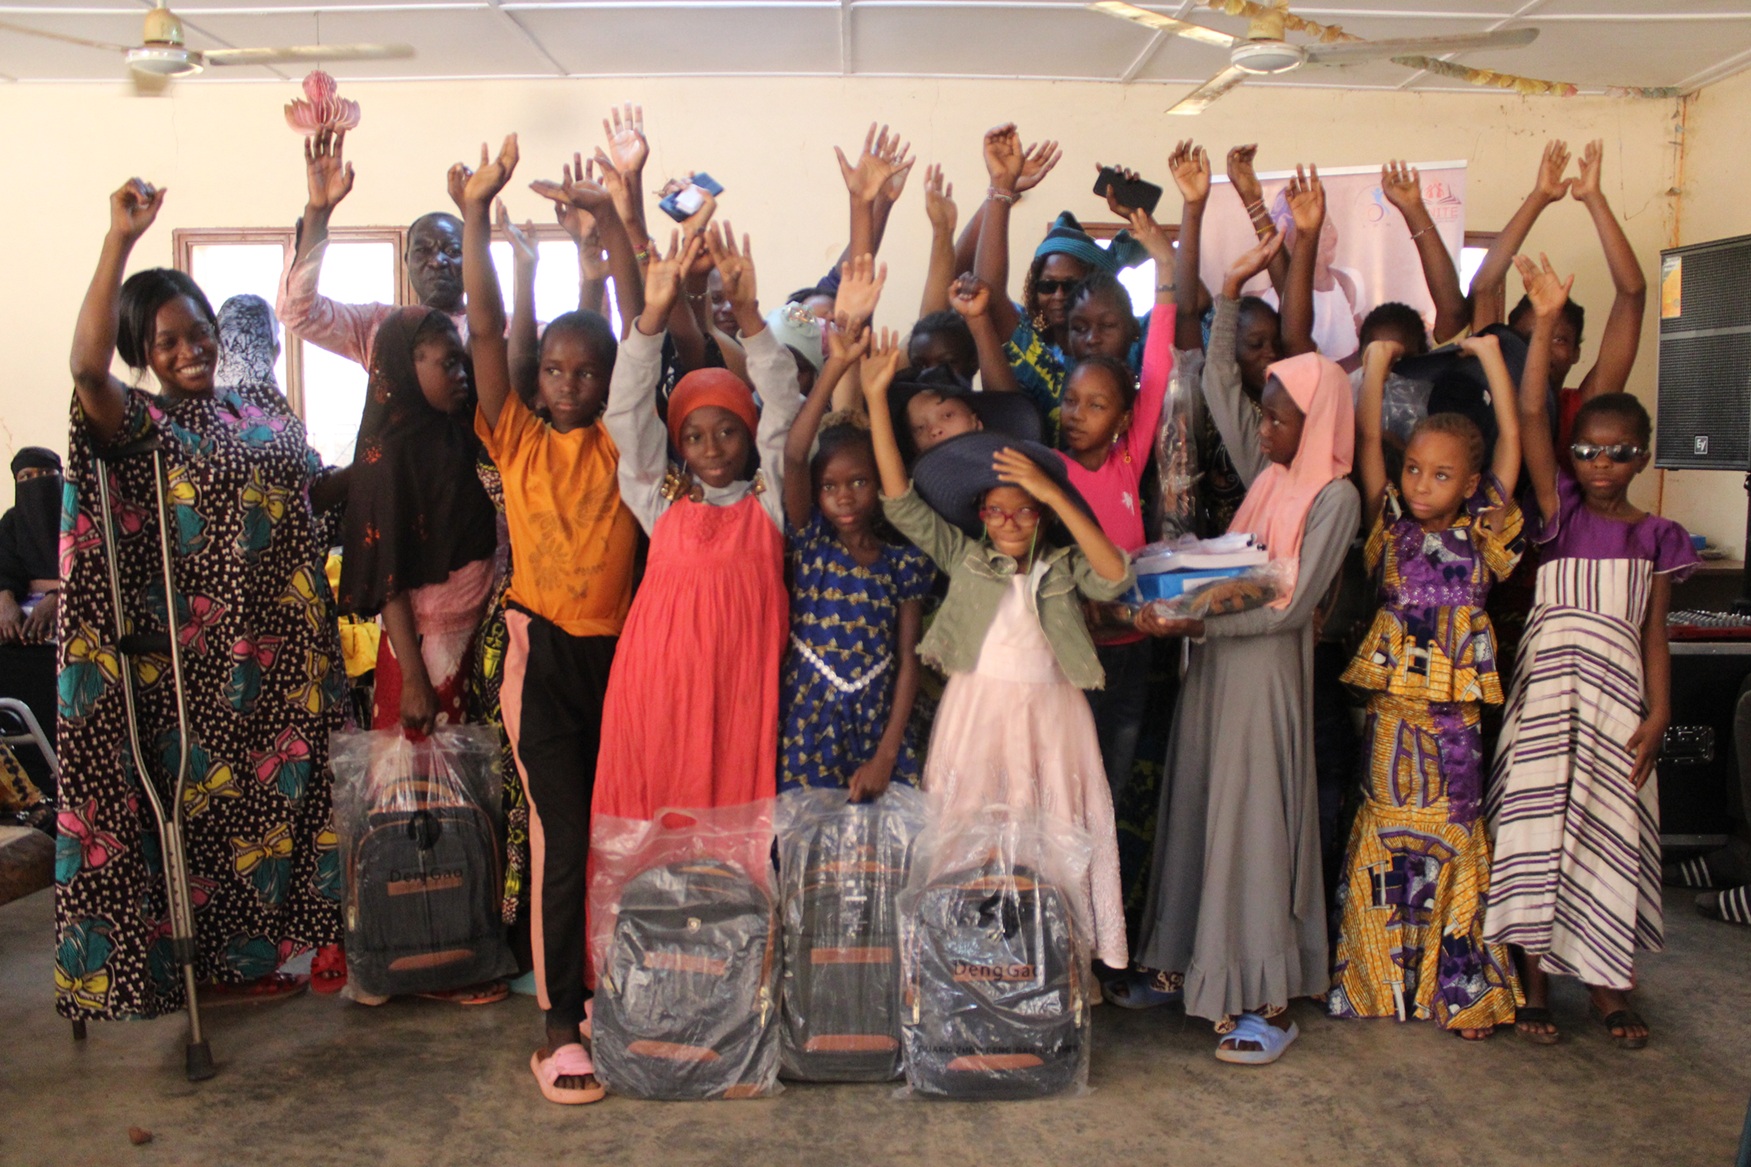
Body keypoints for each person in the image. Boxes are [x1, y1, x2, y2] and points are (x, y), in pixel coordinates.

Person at [59, 178, 348, 1019]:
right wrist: (119, 239)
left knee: (293, 805)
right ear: (144, 354)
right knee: (217, 819)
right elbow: (83, 366)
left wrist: (362, 480)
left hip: (294, 643)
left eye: (200, 331)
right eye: (169, 340)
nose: (192, 348)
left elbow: (301, 494)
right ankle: (217, 963)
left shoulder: (255, 404)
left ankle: (283, 950)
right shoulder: (145, 422)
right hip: (205, 663)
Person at [863, 329, 1135, 971]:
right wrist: (877, 399)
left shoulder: (1063, 567)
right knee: (972, 838)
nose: (1009, 522)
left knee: (1054, 835)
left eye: (1023, 511)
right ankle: (970, 963)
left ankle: (1060, 968)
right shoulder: (966, 559)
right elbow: (901, 505)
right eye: (995, 511)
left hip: (1053, 723)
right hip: (977, 718)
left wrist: (1051, 495)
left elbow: (1115, 573)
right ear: (978, 515)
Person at [463, 135, 643, 1105]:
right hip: (543, 657)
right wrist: (479, 215)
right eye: (559, 370)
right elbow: (490, 335)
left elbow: (626, 319)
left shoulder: (621, 442)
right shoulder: (518, 434)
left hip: (621, 657)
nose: (570, 383)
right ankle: (556, 1024)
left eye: (588, 372)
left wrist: (606, 221)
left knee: (618, 834)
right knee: (564, 837)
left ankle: (612, 990)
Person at [1123, 330, 1360, 1064]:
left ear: (1317, 421)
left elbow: (1289, 610)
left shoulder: (1332, 497)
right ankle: (1185, 961)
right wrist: (1225, 295)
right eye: (1264, 416)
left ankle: (1261, 998)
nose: (1264, 428)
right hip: (1217, 671)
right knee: (1198, 806)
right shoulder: (1269, 476)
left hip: (1262, 681)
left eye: (1280, 418)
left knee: (1251, 825)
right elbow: (1221, 381)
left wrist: (1197, 622)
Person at [1484, 254, 1697, 1051]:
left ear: (1642, 454)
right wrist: (1541, 323)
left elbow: (1652, 632)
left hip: (1617, 710)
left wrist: (1661, 710)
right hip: (1546, 699)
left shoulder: (1656, 537)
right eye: (1587, 452)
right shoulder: (1557, 513)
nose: (1599, 464)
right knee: (1537, 831)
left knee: (1609, 833)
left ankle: (1608, 986)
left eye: (1617, 452)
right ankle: (1534, 981)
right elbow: (1533, 414)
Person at [1326, 332, 1526, 1040]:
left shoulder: (1482, 534)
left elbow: (1511, 447)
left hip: (1455, 725)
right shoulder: (1389, 531)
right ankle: (1375, 984)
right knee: (1384, 835)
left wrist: (1494, 362)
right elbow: (1367, 452)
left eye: (1439, 475)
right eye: (1414, 469)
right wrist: (1374, 368)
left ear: (1467, 485)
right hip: (1391, 717)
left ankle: (1460, 994)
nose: (1419, 484)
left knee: (1455, 840)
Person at [593, 221, 800, 821]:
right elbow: (627, 412)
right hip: (654, 691)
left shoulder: (771, 503)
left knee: (730, 825)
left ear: (750, 436)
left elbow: (784, 404)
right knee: (653, 816)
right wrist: (651, 318)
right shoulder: (662, 502)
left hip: (739, 695)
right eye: (694, 435)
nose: (711, 448)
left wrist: (751, 317)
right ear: (677, 443)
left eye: (728, 431)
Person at [778, 257, 935, 798]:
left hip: (878, 727)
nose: (844, 497)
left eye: (860, 483)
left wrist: (888, 753)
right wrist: (834, 369)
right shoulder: (810, 545)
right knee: (806, 859)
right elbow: (796, 456)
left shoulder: (904, 564)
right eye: (830, 487)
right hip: (807, 723)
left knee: (877, 864)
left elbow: (910, 662)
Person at [1057, 203, 1175, 811]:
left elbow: (1156, 360)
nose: (1077, 415)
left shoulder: (1129, 456)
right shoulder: (1052, 473)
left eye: (1095, 405)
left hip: (1130, 660)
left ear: (1125, 415)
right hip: (1073, 657)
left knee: (1108, 796)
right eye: (1071, 401)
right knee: (1061, 797)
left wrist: (1163, 259)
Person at [1472, 141, 1646, 446]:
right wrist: (1540, 196)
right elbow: (1485, 287)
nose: (1540, 347)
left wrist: (1594, 199)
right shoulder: (1488, 391)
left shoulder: (1584, 410)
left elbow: (1632, 294)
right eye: (1526, 337)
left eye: (1558, 338)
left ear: (1576, 353)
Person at [975, 123, 1139, 442]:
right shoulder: (1038, 354)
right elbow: (989, 294)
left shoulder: (1134, 346)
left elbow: (1184, 305)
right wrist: (1001, 187)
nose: (1059, 295)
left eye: (1072, 284)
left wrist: (1141, 218)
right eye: (1047, 286)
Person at [277, 128, 469, 370]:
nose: (437, 261)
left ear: (473, 258)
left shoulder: (501, 330)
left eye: (452, 251)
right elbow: (297, 313)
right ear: (406, 260)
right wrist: (318, 211)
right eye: (423, 251)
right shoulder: (380, 326)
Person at [0, 448, 64, 646]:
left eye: (46, 474)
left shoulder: (80, 520)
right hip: (21, 641)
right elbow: (6, 571)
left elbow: (93, 575)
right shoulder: (11, 522)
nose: (37, 481)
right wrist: (5, 599)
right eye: (26, 476)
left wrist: (58, 597)